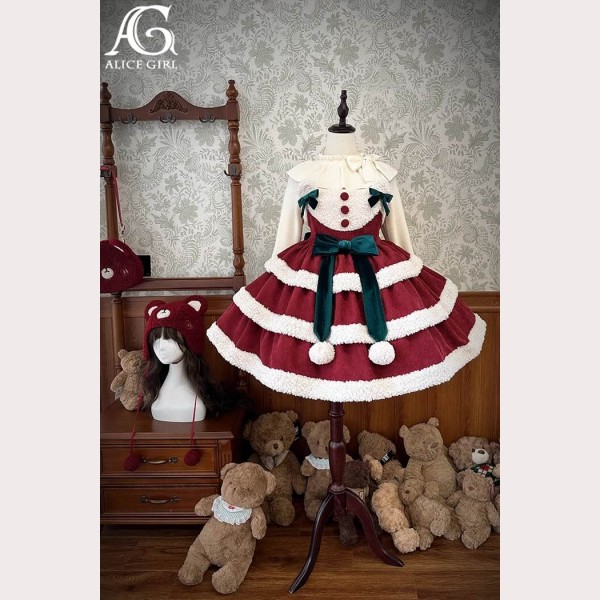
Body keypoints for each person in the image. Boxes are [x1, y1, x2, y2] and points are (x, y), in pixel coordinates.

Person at [206, 98, 486, 403]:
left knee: (372, 350)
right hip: (313, 274)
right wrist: (277, 291)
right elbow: (286, 238)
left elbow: (400, 237)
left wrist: (411, 289)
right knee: (315, 348)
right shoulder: (303, 175)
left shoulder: (382, 174)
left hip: (376, 274)